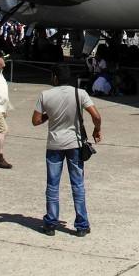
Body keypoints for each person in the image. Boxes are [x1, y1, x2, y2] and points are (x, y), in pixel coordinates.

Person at [32, 71, 102, 236]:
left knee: (52, 185)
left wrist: (49, 116)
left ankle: (50, 223)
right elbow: (96, 116)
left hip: (54, 145)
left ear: (55, 78)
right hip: (74, 144)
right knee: (77, 184)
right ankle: (82, 225)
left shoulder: (45, 95)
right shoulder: (80, 93)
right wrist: (97, 130)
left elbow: (35, 121)